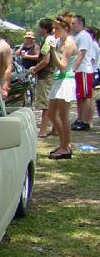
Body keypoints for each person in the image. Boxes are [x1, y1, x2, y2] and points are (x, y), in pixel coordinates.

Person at [47, 13, 78, 160]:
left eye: (57, 28)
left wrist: (53, 51)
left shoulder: (69, 43)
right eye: (53, 28)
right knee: (52, 114)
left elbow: (63, 67)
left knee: (63, 115)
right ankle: (63, 143)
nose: (54, 31)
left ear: (65, 28)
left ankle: (66, 147)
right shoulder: (59, 41)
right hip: (57, 80)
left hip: (65, 80)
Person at [29, 19, 57, 138]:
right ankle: (55, 129)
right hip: (49, 75)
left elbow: (45, 60)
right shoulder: (50, 39)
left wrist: (35, 69)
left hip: (46, 76)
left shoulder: (48, 41)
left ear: (44, 29)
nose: (38, 30)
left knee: (46, 105)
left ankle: (43, 131)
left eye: (39, 27)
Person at [70, 15, 93, 130]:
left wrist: (73, 68)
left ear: (80, 23)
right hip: (78, 71)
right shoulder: (75, 36)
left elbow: (82, 54)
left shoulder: (84, 36)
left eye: (73, 23)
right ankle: (79, 119)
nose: (71, 25)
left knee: (85, 97)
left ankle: (85, 121)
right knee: (79, 96)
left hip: (83, 69)